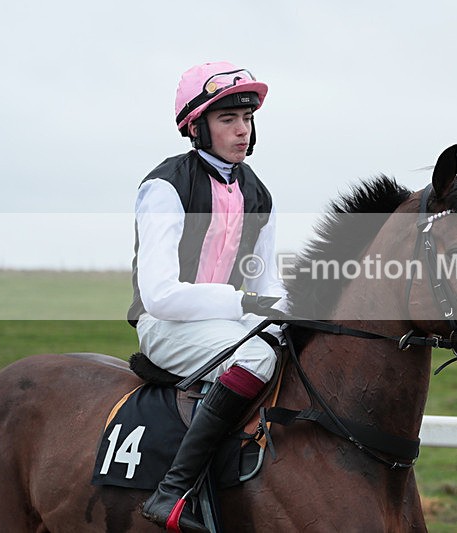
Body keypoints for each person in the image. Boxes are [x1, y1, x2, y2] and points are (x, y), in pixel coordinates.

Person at [129, 61, 288, 533]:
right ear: (197, 127)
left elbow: (267, 285)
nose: (242, 131)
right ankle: (173, 492)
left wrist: (287, 316)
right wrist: (243, 305)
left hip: (223, 325)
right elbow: (160, 296)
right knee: (259, 358)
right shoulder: (165, 185)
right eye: (228, 120)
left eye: (248, 119)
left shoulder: (258, 193)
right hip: (165, 325)